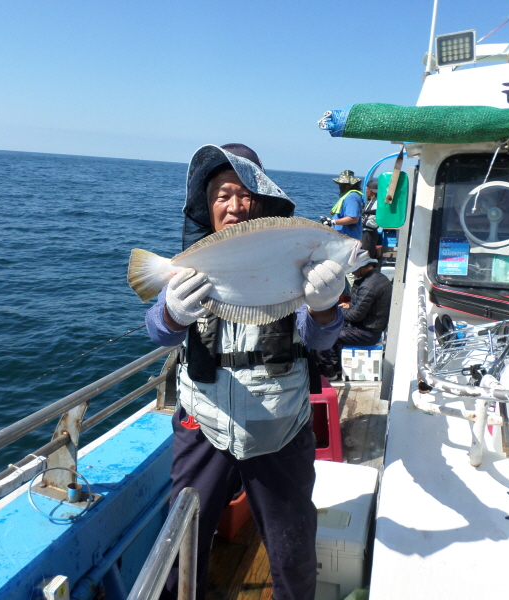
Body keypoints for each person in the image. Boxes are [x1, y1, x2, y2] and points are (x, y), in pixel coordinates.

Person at [145, 143, 345, 600]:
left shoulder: (292, 254)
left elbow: (320, 339)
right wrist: (173, 312)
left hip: (281, 424)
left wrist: (324, 308)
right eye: (221, 195)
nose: (233, 206)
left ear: (259, 199)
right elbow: (159, 331)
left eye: (242, 194)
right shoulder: (193, 261)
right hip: (203, 422)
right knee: (183, 540)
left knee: (292, 550)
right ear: (207, 206)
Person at [316, 255, 392, 380]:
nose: (353, 273)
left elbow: (355, 316)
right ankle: (336, 365)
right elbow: (365, 305)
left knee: (324, 336)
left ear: (361, 268)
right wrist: (349, 305)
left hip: (367, 332)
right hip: (370, 326)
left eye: (354, 270)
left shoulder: (368, 286)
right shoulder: (378, 278)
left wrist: (338, 310)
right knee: (332, 331)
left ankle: (328, 372)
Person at [328, 170, 364, 240]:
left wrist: (332, 222)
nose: (339, 186)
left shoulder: (352, 197)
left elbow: (353, 219)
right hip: (343, 238)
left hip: (348, 239)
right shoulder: (350, 196)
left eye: (341, 184)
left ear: (347, 185)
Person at [361, 179, 381, 256]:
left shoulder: (378, 202)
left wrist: (365, 212)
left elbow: (378, 211)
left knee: (366, 255)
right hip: (365, 232)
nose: (366, 192)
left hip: (370, 233)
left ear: (370, 190)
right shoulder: (370, 201)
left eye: (366, 190)